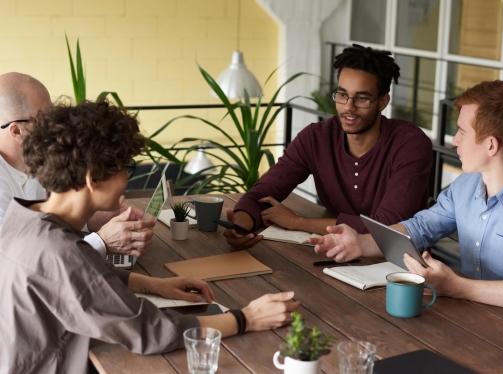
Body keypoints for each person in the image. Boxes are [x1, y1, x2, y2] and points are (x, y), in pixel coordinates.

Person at [0, 100, 299, 374]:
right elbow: (150, 331)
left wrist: (155, 284)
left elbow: (80, 277)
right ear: (92, 179)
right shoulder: (58, 251)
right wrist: (247, 318)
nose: (128, 179)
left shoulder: (25, 216)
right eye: (124, 168)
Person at [310, 80, 503, 314]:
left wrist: (457, 287)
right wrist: (362, 242)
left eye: (462, 132)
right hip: (476, 320)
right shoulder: (466, 185)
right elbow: (420, 228)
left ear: (491, 145)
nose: (454, 141)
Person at [224, 44, 433, 250]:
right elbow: (263, 192)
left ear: (383, 102)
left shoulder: (410, 144)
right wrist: (240, 226)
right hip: (336, 254)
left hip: (400, 264)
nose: (348, 107)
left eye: (361, 98)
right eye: (342, 95)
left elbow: (385, 227)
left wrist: (297, 222)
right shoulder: (316, 138)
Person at [0, 72, 152, 258]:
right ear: (17, 130)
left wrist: (90, 220)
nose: (54, 126)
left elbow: (45, 231)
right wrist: (102, 241)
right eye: (45, 120)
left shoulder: (37, 161)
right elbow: (20, 259)